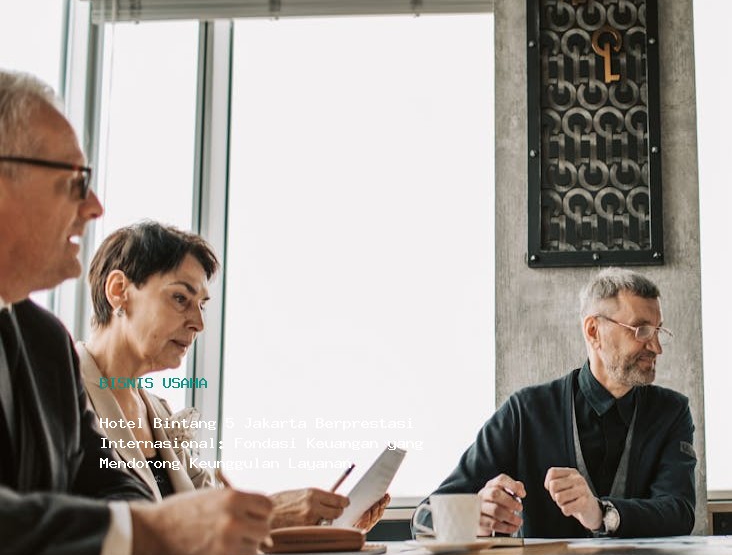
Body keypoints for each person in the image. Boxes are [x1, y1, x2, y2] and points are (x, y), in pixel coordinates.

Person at [0, 69, 272, 555]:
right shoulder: (71, 360)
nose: (95, 206)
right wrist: (151, 536)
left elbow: (112, 486)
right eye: (75, 180)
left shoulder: (42, 342)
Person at [77, 221, 387, 529]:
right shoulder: (61, 391)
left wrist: (327, 525)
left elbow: (210, 519)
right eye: (181, 298)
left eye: (202, 305)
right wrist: (269, 513)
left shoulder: (158, 413)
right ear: (119, 292)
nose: (199, 323)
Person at [430, 267, 696, 538]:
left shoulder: (672, 412)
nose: (656, 347)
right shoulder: (525, 412)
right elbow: (427, 516)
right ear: (594, 331)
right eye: (641, 331)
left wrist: (601, 514)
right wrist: (475, 516)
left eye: (658, 331)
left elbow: (680, 513)